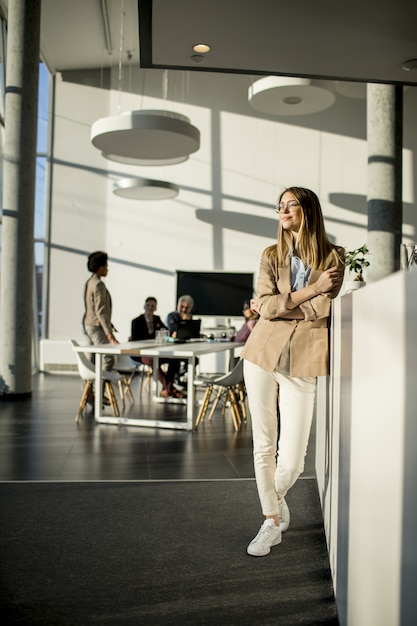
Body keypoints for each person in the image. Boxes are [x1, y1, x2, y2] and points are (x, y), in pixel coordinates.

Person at [241, 186, 345, 557]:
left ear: (308, 209)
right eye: (279, 206)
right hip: (261, 355)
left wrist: (283, 305)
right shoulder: (271, 255)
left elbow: (324, 310)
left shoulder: (335, 256)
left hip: (303, 360)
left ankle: (276, 495)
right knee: (264, 444)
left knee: (295, 458)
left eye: (291, 204)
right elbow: (266, 308)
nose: (282, 210)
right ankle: (271, 520)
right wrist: (311, 290)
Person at [130, 297, 184, 399]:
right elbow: (136, 340)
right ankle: (170, 389)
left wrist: (174, 334)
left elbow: (166, 331)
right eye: (148, 305)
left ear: (155, 308)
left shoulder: (157, 319)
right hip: (141, 353)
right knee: (153, 361)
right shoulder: (136, 321)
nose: (150, 308)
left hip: (156, 351)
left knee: (175, 359)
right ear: (144, 306)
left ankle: (166, 389)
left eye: (153, 306)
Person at [83, 250, 118, 372]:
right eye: (106, 266)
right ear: (100, 267)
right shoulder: (99, 285)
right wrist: (109, 334)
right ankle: (100, 388)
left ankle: (90, 389)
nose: (107, 269)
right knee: (108, 358)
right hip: (96, 327)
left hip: (88, 325)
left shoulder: (89, 282)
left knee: (90, 359)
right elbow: (100, 311)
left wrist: (109, 324)